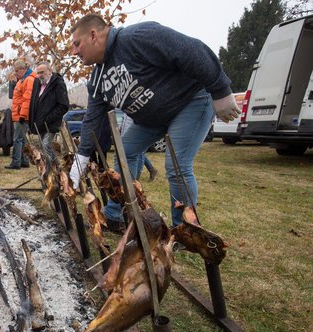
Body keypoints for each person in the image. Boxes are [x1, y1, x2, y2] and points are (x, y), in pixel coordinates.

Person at [68, 14, 240, 231]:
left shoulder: (136, 38)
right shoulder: (97, 79)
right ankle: (115, 214)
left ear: (93, 35)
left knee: (177, 164)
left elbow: (190, 50)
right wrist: (82, 155)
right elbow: (93, 117)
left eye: (76, 44)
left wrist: (220, 90)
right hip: (152, 118)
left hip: (190, 102)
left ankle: (185, 231)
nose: (74, 52)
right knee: (124, 153)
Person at [28, 61, 70, 163]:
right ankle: (53, 172)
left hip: (51, 123)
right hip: (39, 123)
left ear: (50, 71)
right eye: (38, 73)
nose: (40, 75)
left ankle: (53, 170)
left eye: (42, 72)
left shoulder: (58, 83)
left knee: (46, 145)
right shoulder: (37, 82)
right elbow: (33, 102)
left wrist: (48, 118)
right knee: (43, 147)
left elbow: (64, 105)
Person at [6, 59, 36, 169]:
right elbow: (14, 96)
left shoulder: (29, 80)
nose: (16, 73)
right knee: (22, 139)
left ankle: (16, 162)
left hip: (21, 115)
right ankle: (24, 161)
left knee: (17, 139)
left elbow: (27, 99)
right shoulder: (22, 80)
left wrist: (23, 115)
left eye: (17, 70)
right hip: (20, 114)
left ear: (24, 69)